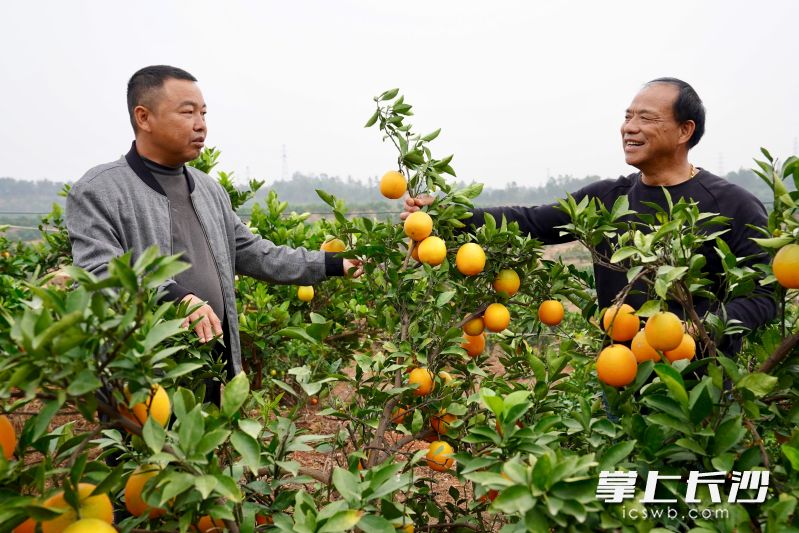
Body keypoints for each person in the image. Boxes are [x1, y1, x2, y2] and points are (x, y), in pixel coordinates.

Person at [402, 77, 776, 357]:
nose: (630, 127)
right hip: (620, 378)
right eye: (628, 117)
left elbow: (765, 294)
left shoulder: (733, 206)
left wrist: (698, 328)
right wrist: (447, 215)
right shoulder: (608, 199)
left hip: (700, 383)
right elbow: (531, 222)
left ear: (685, 130)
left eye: (646, 118)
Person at [66, 65, 362, 393]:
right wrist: (178, 299)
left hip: (212, 366)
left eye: (203, 113)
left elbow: (255, 253)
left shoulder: (209, 190)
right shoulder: (100, 190)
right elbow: (98, 272)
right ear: (144, 117)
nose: (201, 125)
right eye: (187, 112)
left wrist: (334, 263)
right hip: (143, 378)